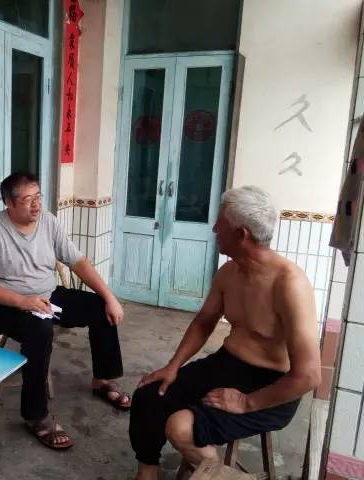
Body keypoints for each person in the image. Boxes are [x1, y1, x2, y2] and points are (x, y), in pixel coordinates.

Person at [129, 186, 321, 480]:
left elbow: (308, 376)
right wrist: (173, 366)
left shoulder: (290, 285)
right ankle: (147, 473)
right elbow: (204, 322)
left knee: (180, 427)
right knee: (148, 395)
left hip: (271, 385)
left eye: (220, 222)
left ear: (241, 234)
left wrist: (246, 402)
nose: (214, 228)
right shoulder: (229, 273)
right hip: (226, 364)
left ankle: (218, 476)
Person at [0, 172, 130, 450]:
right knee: (39, 331)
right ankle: (36, 416)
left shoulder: (49, 222)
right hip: (3, 306)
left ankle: (103, 379)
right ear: (9, 203)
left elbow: (78, 261)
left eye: (38, 197)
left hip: (47, 296)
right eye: (27, 199)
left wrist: (109, 297)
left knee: (99, 308)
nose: (36, 205)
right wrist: (23, 302)